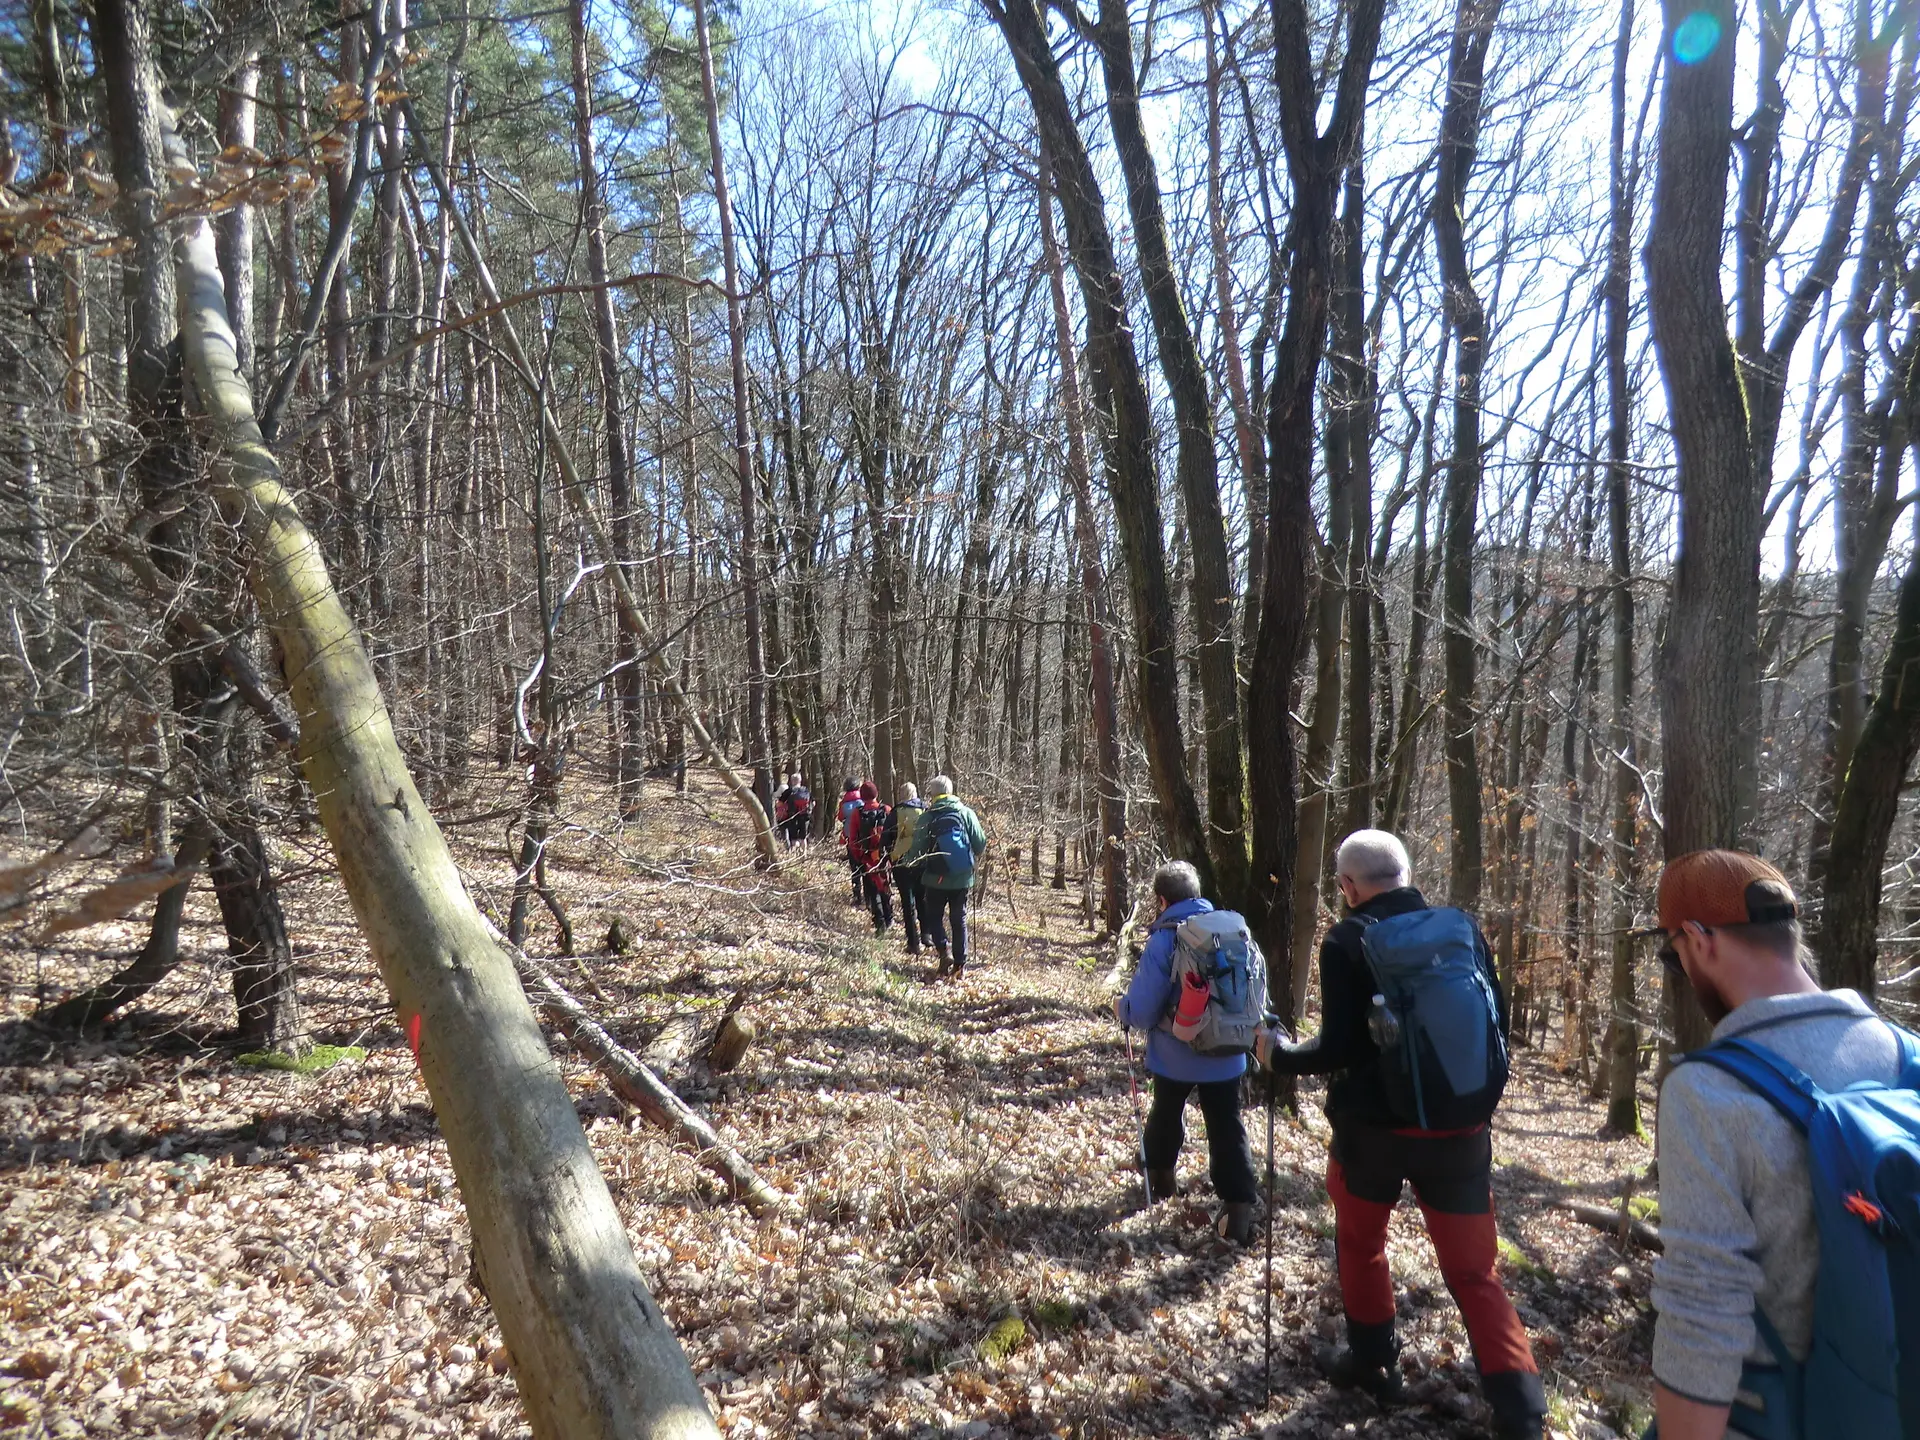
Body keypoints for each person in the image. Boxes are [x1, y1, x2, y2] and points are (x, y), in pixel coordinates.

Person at [1256, 829, 1545, 1440]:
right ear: (1408, 876)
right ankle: (1521, 1411)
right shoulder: (1461, 929)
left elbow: (1338, 1048)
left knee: (1361, 1244)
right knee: (1475, 1273)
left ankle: (1374, 1364)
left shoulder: (1346, 940)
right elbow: (1496, 1021)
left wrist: (1277, 1055)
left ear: (1348, 887)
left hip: (1372, 1135)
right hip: (1460, 1130)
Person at [1645, 850, 1907, 1440]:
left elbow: (1702, 1307)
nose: (1680, 969)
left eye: (1673, 954)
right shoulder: (1907, 1057)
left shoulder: (1706, 1092)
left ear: (1698, 940)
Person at [1114, 860, 1258, 1242]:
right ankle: (1239, 1210)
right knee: (1227, 1126)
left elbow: (1142, 1011)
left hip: (1175, 1053)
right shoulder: (1234, 932)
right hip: (1229, 1051)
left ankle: (1161, 1181)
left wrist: (1121, 1008)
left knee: (1166, 1113)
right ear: (1197, 893)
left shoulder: (1165, 939)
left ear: (1162, 900)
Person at [900, 774, 986, 980]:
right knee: (959, 918)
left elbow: (917, 849)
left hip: (934, 877)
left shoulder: (927, 817)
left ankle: (943, 951)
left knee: (934, 917)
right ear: (951, 791)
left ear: (933, 794)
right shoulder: (966, 813)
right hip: (962, 877)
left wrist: (908, 862)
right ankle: (960, 965)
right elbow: (980, 843)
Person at [884, 782, 929, 956]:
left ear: (901, 795)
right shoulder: (925, 810)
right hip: (923, 860)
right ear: (915, 794)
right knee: (922, 898)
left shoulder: (896, 812)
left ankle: (913, 942)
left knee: (907, 902)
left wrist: (888, 856)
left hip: (901, 862)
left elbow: (886, 838)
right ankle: (926, 935)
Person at [853, 782, 893, 934]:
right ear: (876, 794)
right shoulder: (887, 810)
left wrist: (859, 856)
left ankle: (879, 921)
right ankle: (889, 918)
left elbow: (853, 838)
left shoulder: (858, 813)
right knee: (885, 885)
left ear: (862, 796)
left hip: (867, 857)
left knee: (872, 889)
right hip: (884, 856)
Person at [836, 778, 864, 903]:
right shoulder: (863, 800)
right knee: (865, 865)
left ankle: (857, 895)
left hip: (849, 837)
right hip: (863, 837)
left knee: (854, 867)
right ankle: (868, 896)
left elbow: (840, 817)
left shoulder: (843, 803)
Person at [779, 774, 811, 848]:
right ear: (800, 780)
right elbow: (813, 803)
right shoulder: (806, 790)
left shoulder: (789, 791)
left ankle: (795, 852)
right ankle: (804, 853)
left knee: (793, 838)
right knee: (803, 838)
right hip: (804, 816)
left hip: (792, 816)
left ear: (791, 781)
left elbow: (780, 803)